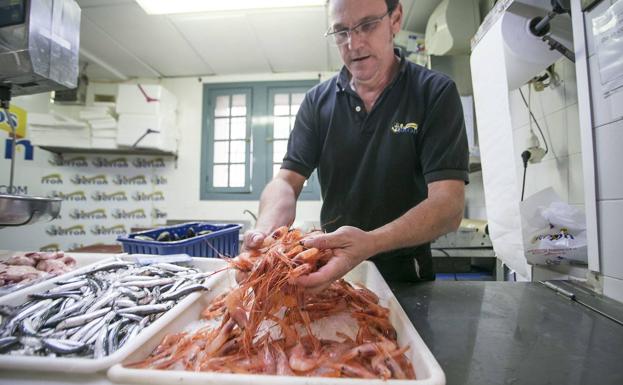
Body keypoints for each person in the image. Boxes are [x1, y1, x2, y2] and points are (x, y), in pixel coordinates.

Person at [242, 0, 468, 291]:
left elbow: (448, 205)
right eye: (341, 31)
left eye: (368, 25)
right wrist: (264, 230)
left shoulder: (434, 93)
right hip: (330, 270)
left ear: (395, 19)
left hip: (406, 276)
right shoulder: (317, 103)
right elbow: (286, 181)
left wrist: (372, 243)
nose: (353, 43)